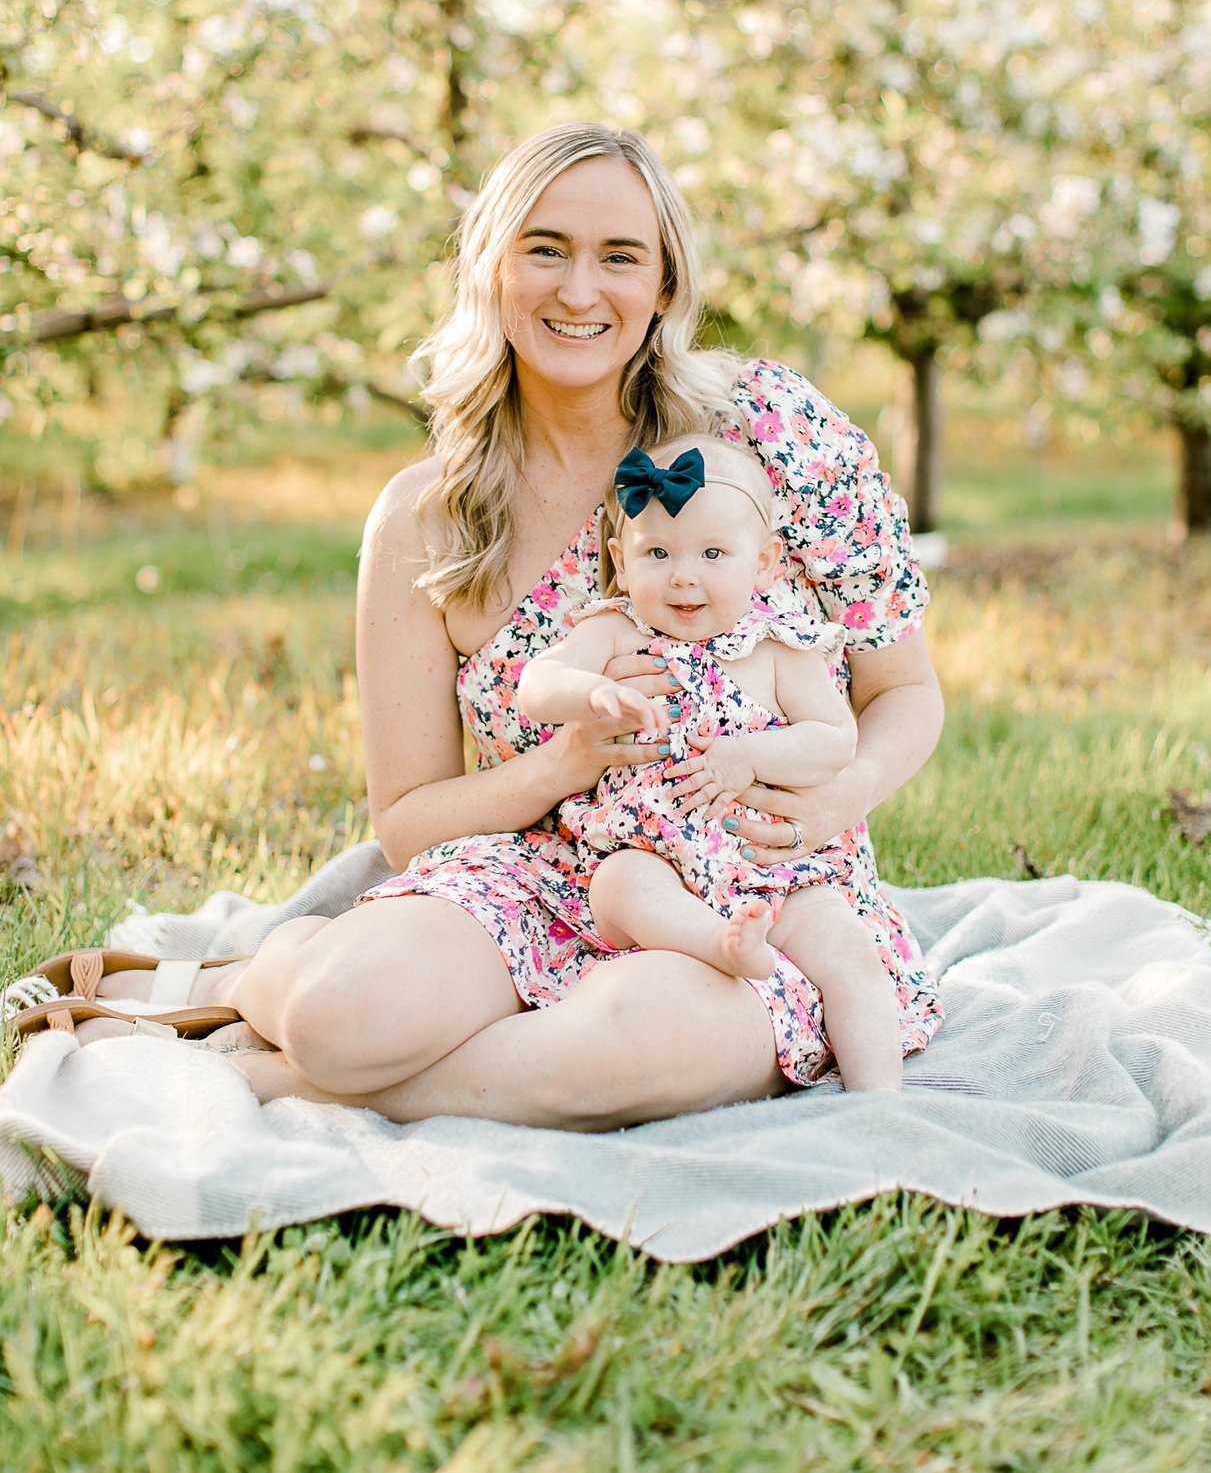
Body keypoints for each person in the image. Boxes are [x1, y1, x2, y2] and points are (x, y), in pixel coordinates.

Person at [31, 120, 944, 1125]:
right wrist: (565, 764)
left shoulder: (774, 438)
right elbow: (410, 821)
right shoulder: (427, 518)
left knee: (637, 1045)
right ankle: (253, 979)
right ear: (490, 269)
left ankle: (279, 1081)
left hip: (749, 887)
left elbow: (902, 691)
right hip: (535, 867)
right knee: (343, 1017)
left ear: (667, 289)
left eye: (620, 258)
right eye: (544, 249)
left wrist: (836, 796)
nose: (580, 290)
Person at [506, 431, 911, 1093]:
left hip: (772, 867)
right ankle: (720, 944)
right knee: (617, 884)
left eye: (713, 553)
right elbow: (536, 682)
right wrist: (592, 692)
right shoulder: (616, 628)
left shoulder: (781, 646)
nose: (684, 574)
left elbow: (835, 738)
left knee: (847, 947)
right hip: (655, 855)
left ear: (766, 562)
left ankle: (882, 1103)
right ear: (620, 558)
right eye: (657, 553)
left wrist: (750, 756)